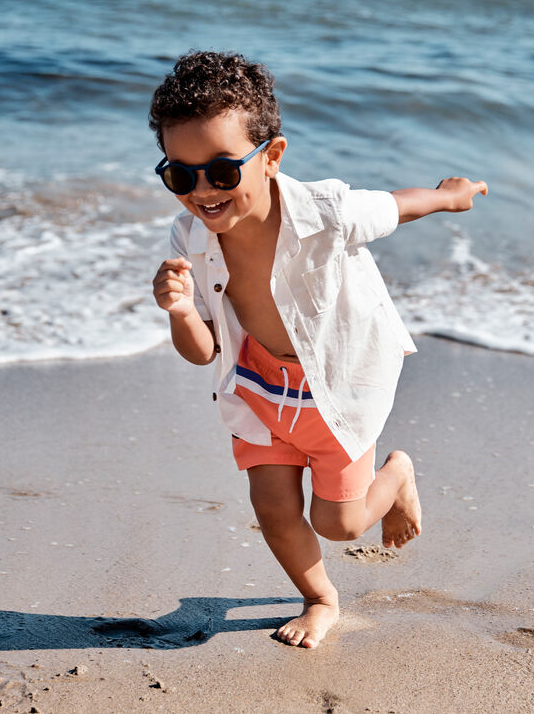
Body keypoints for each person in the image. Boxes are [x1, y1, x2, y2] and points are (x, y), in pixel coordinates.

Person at [150, 51, 487, 650]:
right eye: (181, 175)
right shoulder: (190, 236)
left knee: (340, 523)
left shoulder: (327, 212)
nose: (202, 190)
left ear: (271, 157)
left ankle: (398, 474)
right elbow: (202, 351)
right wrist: (179, 311)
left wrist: (448, 196)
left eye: (223, 172)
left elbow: (394, 206)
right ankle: (320, 598)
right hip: (258, 391)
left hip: (337, 392)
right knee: (274, 508)